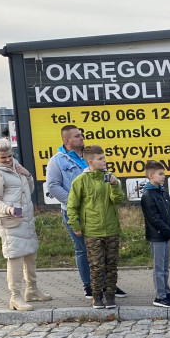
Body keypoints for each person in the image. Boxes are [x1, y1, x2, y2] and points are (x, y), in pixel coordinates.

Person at [46, 124, 125, 299]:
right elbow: (52, 186)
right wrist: (75, 202)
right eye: (77, 136)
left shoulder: (89, 157)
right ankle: (89, 285)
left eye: (81, 135)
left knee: (103, 250)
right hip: (74, 212)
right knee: (83, 249)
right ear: (67, 140)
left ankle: (107, 284)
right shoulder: (57, 160)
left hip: (98, 213)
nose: (82, 138)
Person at [0, 138, 53, 311]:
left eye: (9, 156)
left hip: (26, 218)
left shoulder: (15, 167)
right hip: (11, 221)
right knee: (15, 258)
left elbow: (28, 190)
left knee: (31, 254)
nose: (8, 160)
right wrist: (9, 210)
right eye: (4, 158)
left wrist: (27, 175)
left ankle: (32, 289)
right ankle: (15, 296)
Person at [67, 145, 125, 309]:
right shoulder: (80, 181)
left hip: (111, 228)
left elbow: (119, 200)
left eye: (104, 158)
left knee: (111, 265)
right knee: (96, 266)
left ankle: (110, 295)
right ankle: (97, 296)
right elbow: (72, 206)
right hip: (92, 230)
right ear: (90, 162)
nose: (104, 161)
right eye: (100, 159)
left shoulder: (110, 178)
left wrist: (115, 186)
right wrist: (76, 225)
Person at [141, 159, 170, 308]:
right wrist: (169, 231)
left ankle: (166, 292)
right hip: (157, 236)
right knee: (158, 268)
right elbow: (154, 219)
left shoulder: (162, 192)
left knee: (165, 267)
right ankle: (160, 296)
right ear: (151, 175)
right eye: (160, 174)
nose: (164, 176)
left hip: (166, 234)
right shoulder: (148, 195)